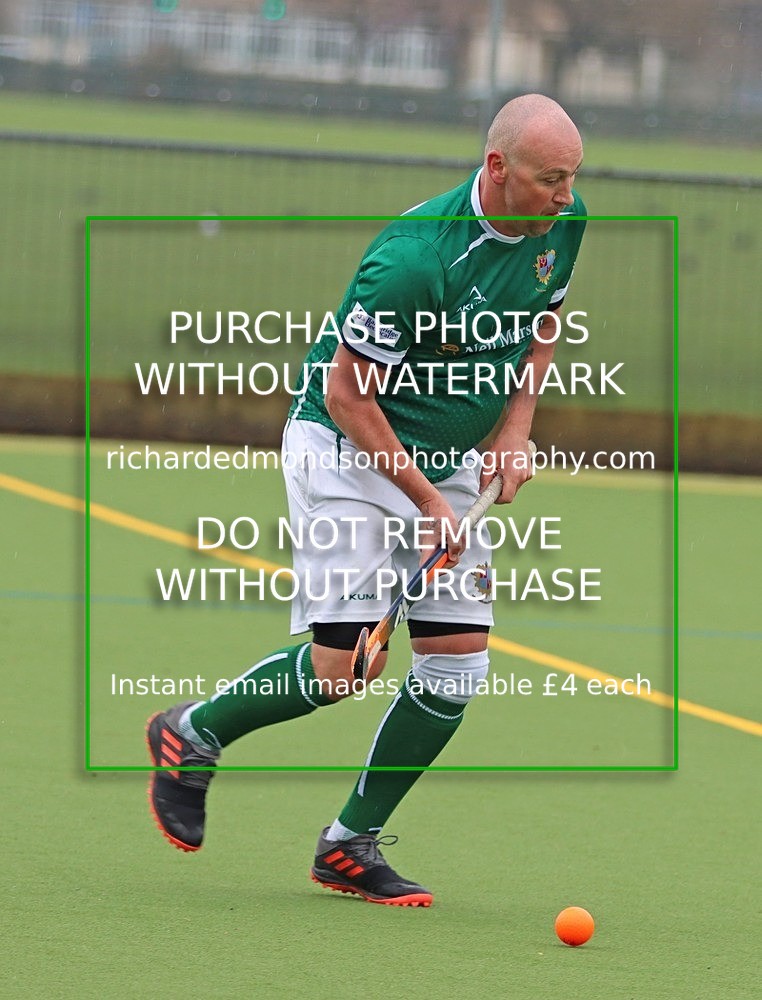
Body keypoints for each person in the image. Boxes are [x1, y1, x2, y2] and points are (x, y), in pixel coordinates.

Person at [146, 93, 586, 907]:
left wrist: (515, 432)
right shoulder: (415, 258)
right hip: (350, 448)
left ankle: (349, 844)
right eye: (549, 180)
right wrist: (425, 499)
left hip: (449, 453)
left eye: (572, 178)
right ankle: (192, 731)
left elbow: (542, 323)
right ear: (497, 168)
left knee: (456, 665)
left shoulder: (562, 224)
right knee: (345, 665)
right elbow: (348, 396)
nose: (565, 197)